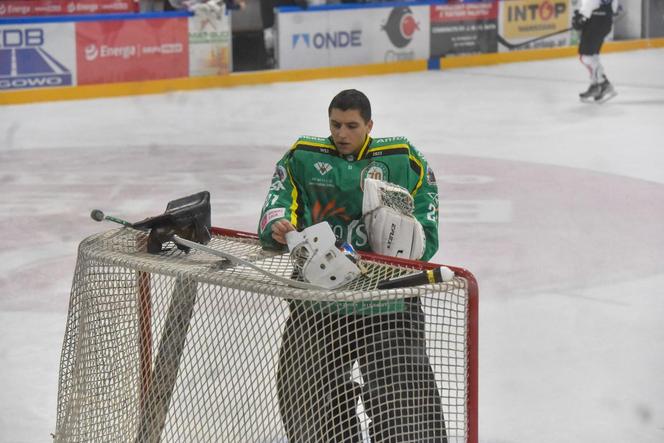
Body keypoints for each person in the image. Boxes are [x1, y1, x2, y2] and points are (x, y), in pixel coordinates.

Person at [257, 89, 446, 442]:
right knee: (308, 396)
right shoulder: (303, 157)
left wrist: (414, 244)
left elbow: (427, 226)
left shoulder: (402, 158)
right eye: (335, 124)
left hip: (388, 303)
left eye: (351, 126)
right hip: (320, 302)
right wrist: (277, 226)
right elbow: (277, 204)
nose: (341, 134)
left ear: (369, 125)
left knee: (403, 405)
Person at [573, 0, 620, 103]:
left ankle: (603, 83)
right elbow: (615, 8)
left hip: (594, 22)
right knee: (593, 55)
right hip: (603, 21)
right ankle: (595, 86)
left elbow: (589, 4)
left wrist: (581, 17)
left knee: (585, 57)